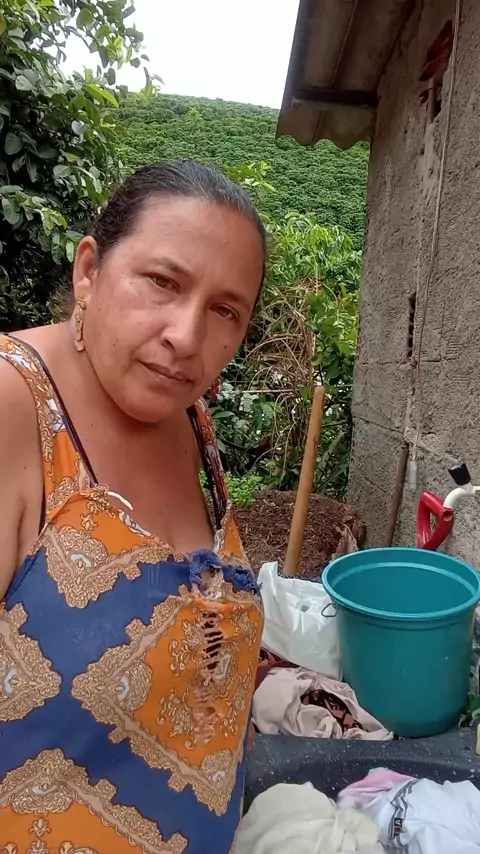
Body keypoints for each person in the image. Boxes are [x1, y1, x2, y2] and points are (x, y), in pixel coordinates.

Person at [0, 160, 266, 854]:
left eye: (225, 311)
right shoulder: (15, 407)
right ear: (89, 270)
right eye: (162, 282)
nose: (187, 337)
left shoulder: (191, 422)